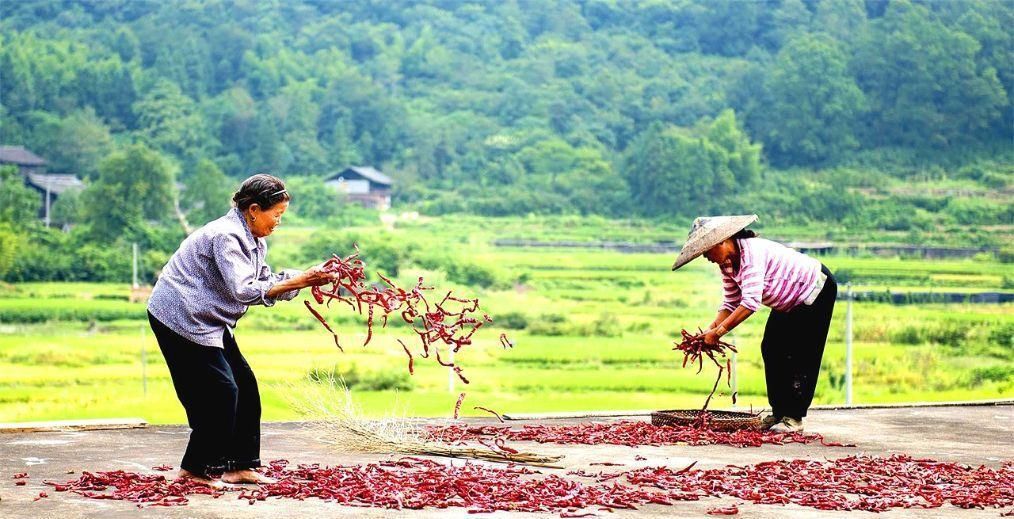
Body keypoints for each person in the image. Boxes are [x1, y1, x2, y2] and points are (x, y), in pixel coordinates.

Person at [147, 173, 336, 487]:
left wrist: (305, 277)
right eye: (276, 215)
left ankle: (240, 465)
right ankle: (195, 469)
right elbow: (244, 291)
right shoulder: (227, 236)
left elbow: (265, 280)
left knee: (245, 386)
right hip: (181, 317)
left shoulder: (254, 240)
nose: (278, 222)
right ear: (254, 210)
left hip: (210, 319)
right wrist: (301, 281)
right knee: (220, 391)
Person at [671, 215, 837, 432]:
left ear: (721, 242)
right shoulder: (728, 264)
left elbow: (750, 303)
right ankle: (779, 413)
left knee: (801, 354)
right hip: (787, 301)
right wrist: (710, 330)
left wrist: (719, 333)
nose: (706, 257)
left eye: (706, 251)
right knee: (772, 348)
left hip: (814, 290)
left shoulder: (751, 253)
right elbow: (731, 302)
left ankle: (794, 418)